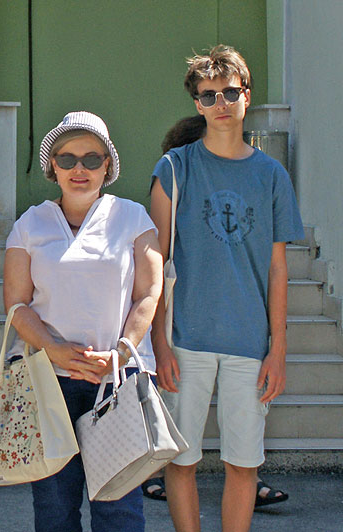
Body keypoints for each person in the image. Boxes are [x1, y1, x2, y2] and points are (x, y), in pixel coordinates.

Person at [149, 45, 303, 532]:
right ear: (197, 103)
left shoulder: (272, 175)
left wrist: (278, 348)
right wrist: (158, 343)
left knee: (244, 464)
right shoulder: (174, 168)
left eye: (230, 93)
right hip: (184, 340)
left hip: (249, 343)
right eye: (209, 95)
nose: (221, 103)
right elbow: (155, 263)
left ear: (246, 96)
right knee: (181, 461)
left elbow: (278, 269)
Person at [3, 111, 163, 532]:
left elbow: (149, 293)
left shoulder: (133, 218)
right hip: (49, 380)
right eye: (68, 158)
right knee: (54, 509)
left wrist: (122, 351)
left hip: (117, 380)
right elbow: (16, 304)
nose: (80, 169)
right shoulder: (29, 224)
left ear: (107, 166)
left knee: (120, 508)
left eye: (92, 159)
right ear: (52, 166)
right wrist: (54, 348)